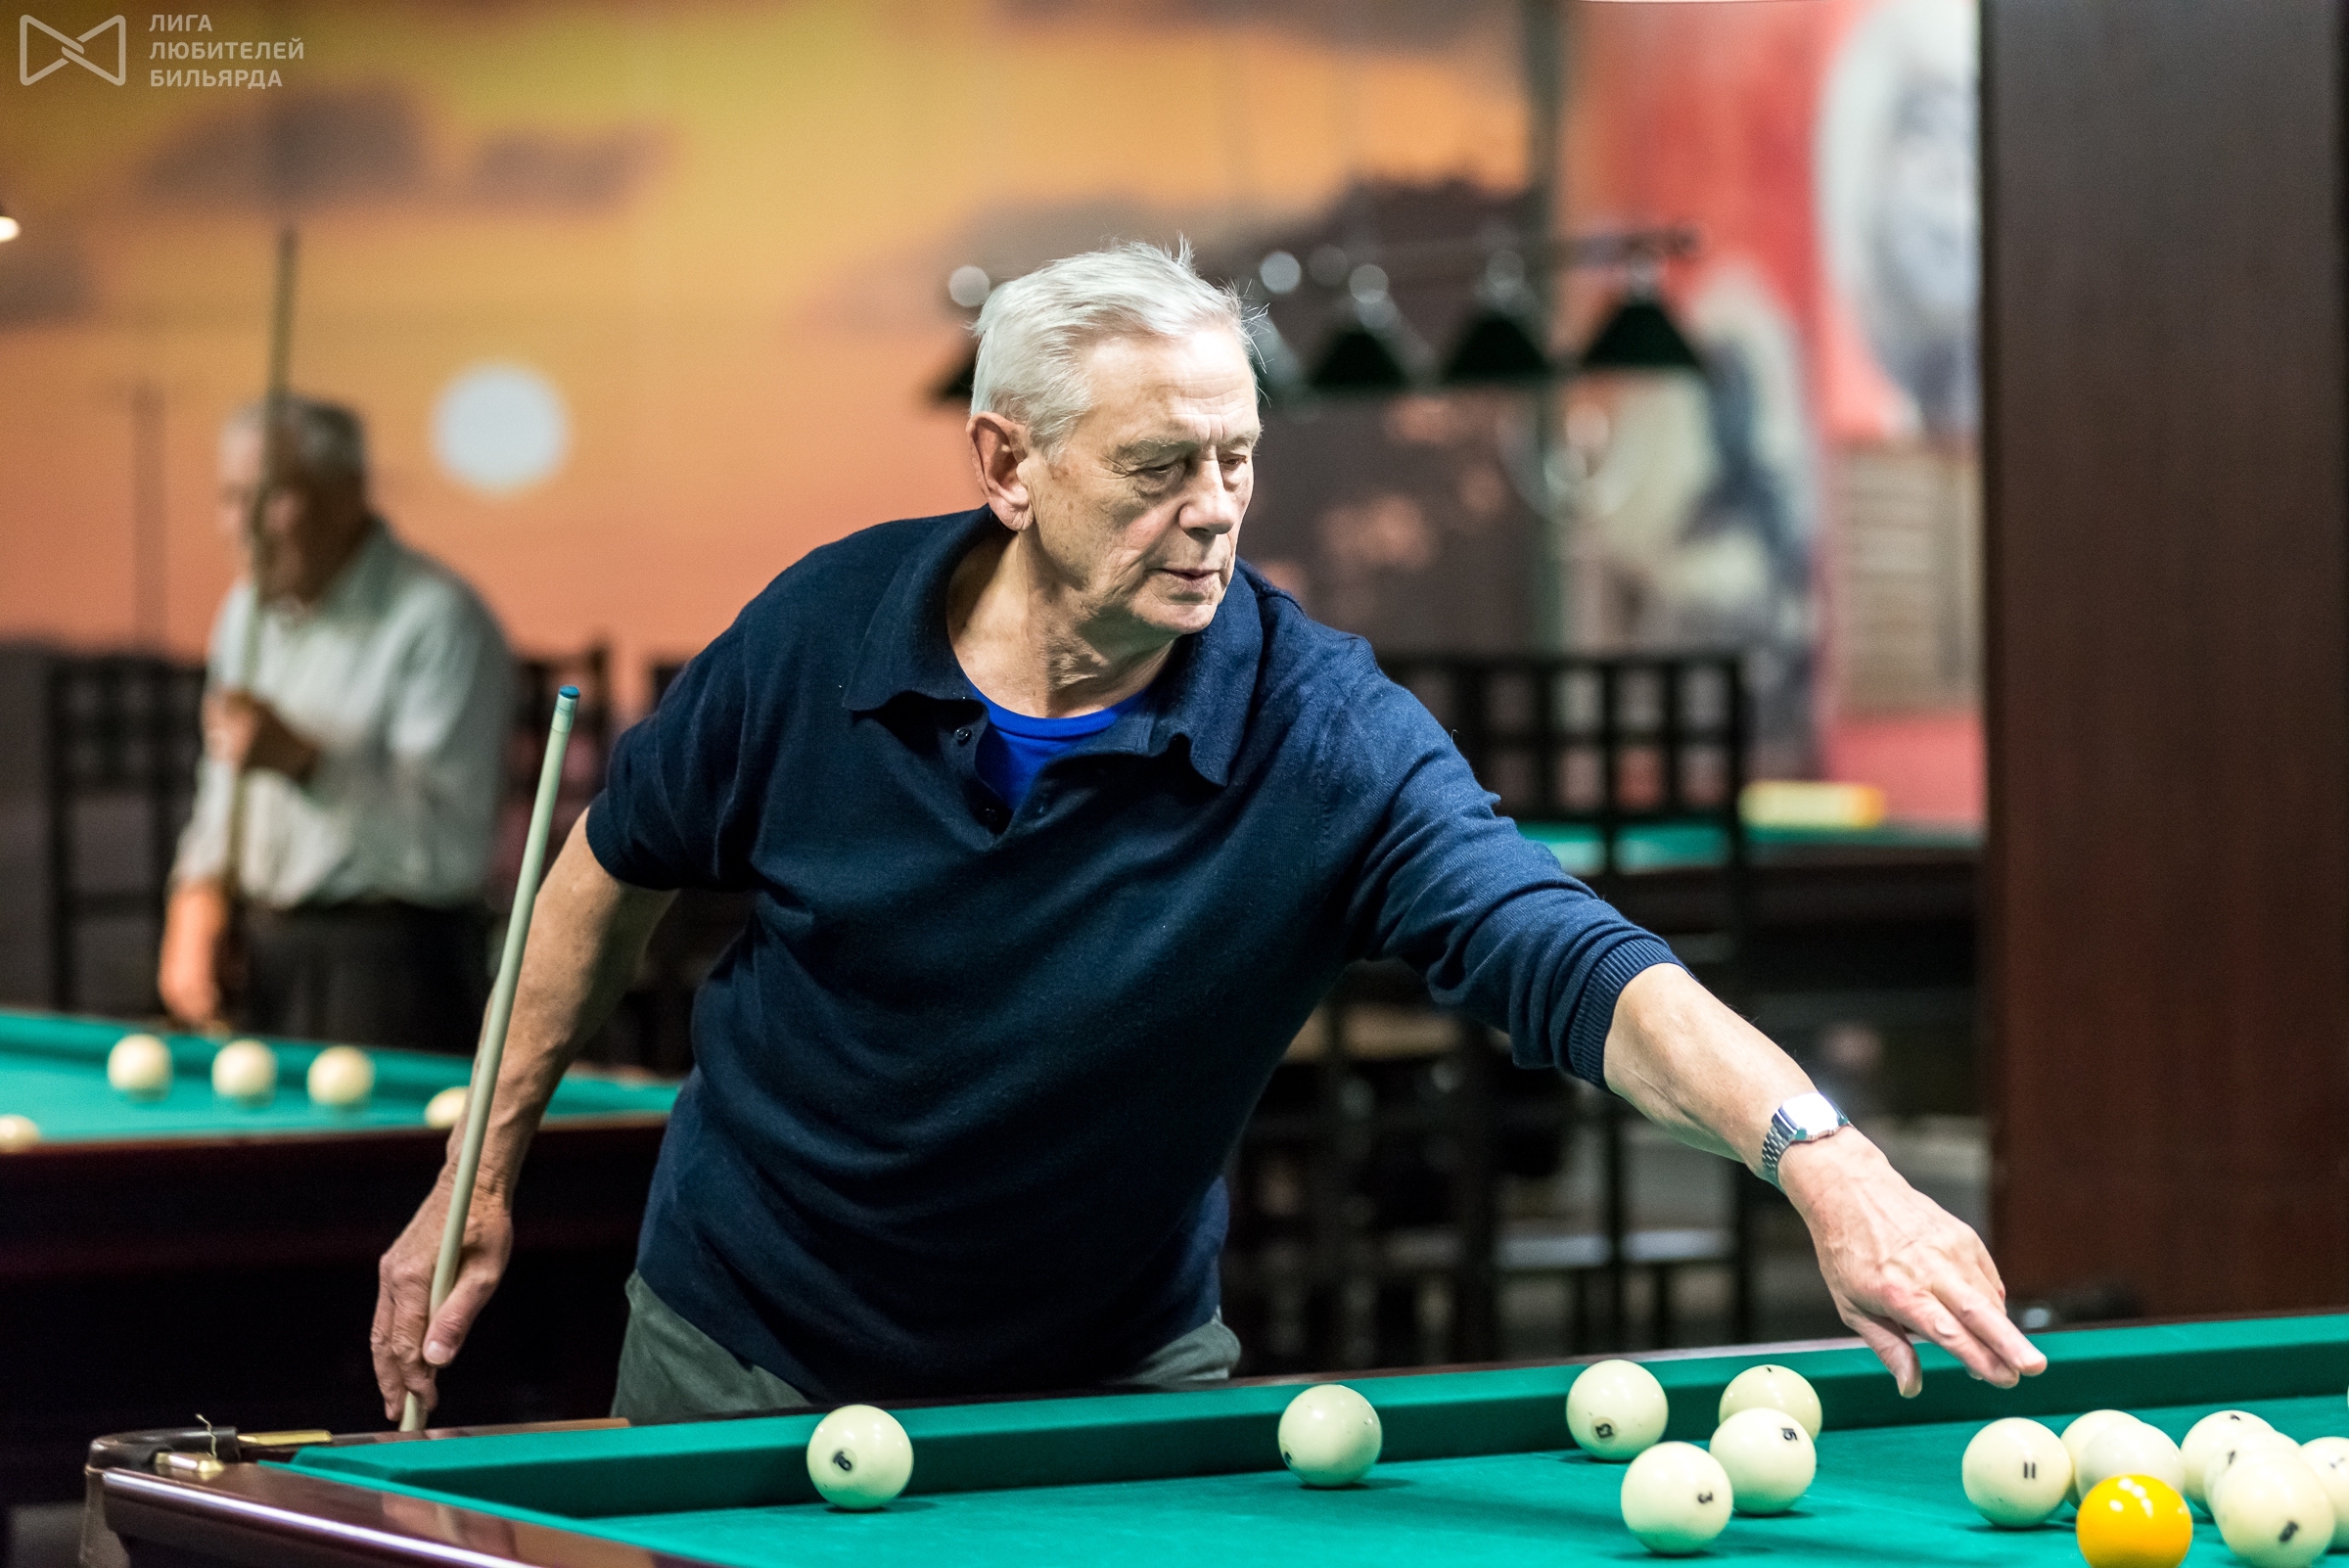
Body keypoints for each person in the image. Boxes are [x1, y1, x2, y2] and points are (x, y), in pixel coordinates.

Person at [373, 243, 2043, 1423]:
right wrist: (482, 1169)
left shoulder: (1317, 728)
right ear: (1009, 463)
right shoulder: (821, 634)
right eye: (1161, 465)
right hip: (741, 1339)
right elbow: (608, 873)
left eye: (1239, 458)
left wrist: (1821, 1153)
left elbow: (1563, 950)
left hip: (1104, 1383)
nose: (1217, 510)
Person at [159, 395, 514, 1055]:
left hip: (393, 968)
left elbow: (451, 855)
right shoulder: (243, 614)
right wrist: (197, 891)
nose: (244, 525)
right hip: (259, 958)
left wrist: (309, 764)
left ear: (347, 495)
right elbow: (223, 788)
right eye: (231, 498)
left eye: (272, 496)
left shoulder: (440, 619)